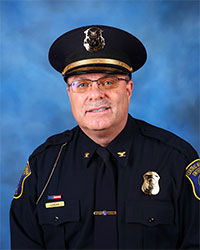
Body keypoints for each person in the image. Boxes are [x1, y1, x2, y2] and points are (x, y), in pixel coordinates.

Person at [10, 25, 200, 249]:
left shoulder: (176, 159)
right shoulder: (44, 165)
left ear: (128, 89)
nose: (95, 95)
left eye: (108, 82)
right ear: (69, 94)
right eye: (81, 84)